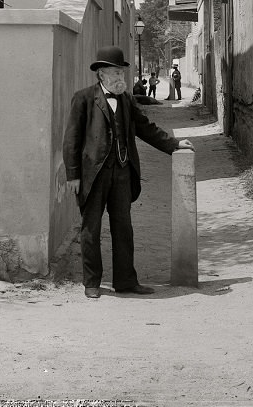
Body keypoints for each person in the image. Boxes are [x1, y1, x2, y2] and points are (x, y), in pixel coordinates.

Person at [63, 46, 192, 299]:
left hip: (122, 173)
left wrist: (174, 144)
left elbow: (145, 128)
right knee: (91, 229)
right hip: (93, 175)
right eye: (114, 72)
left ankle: (125, 281)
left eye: (121, 72)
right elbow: (72, 140)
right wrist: (73, 175)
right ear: (101, 75)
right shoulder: (83, 99)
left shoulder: (126, 99)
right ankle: (92, 282)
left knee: (124, 228)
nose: (120, 77)